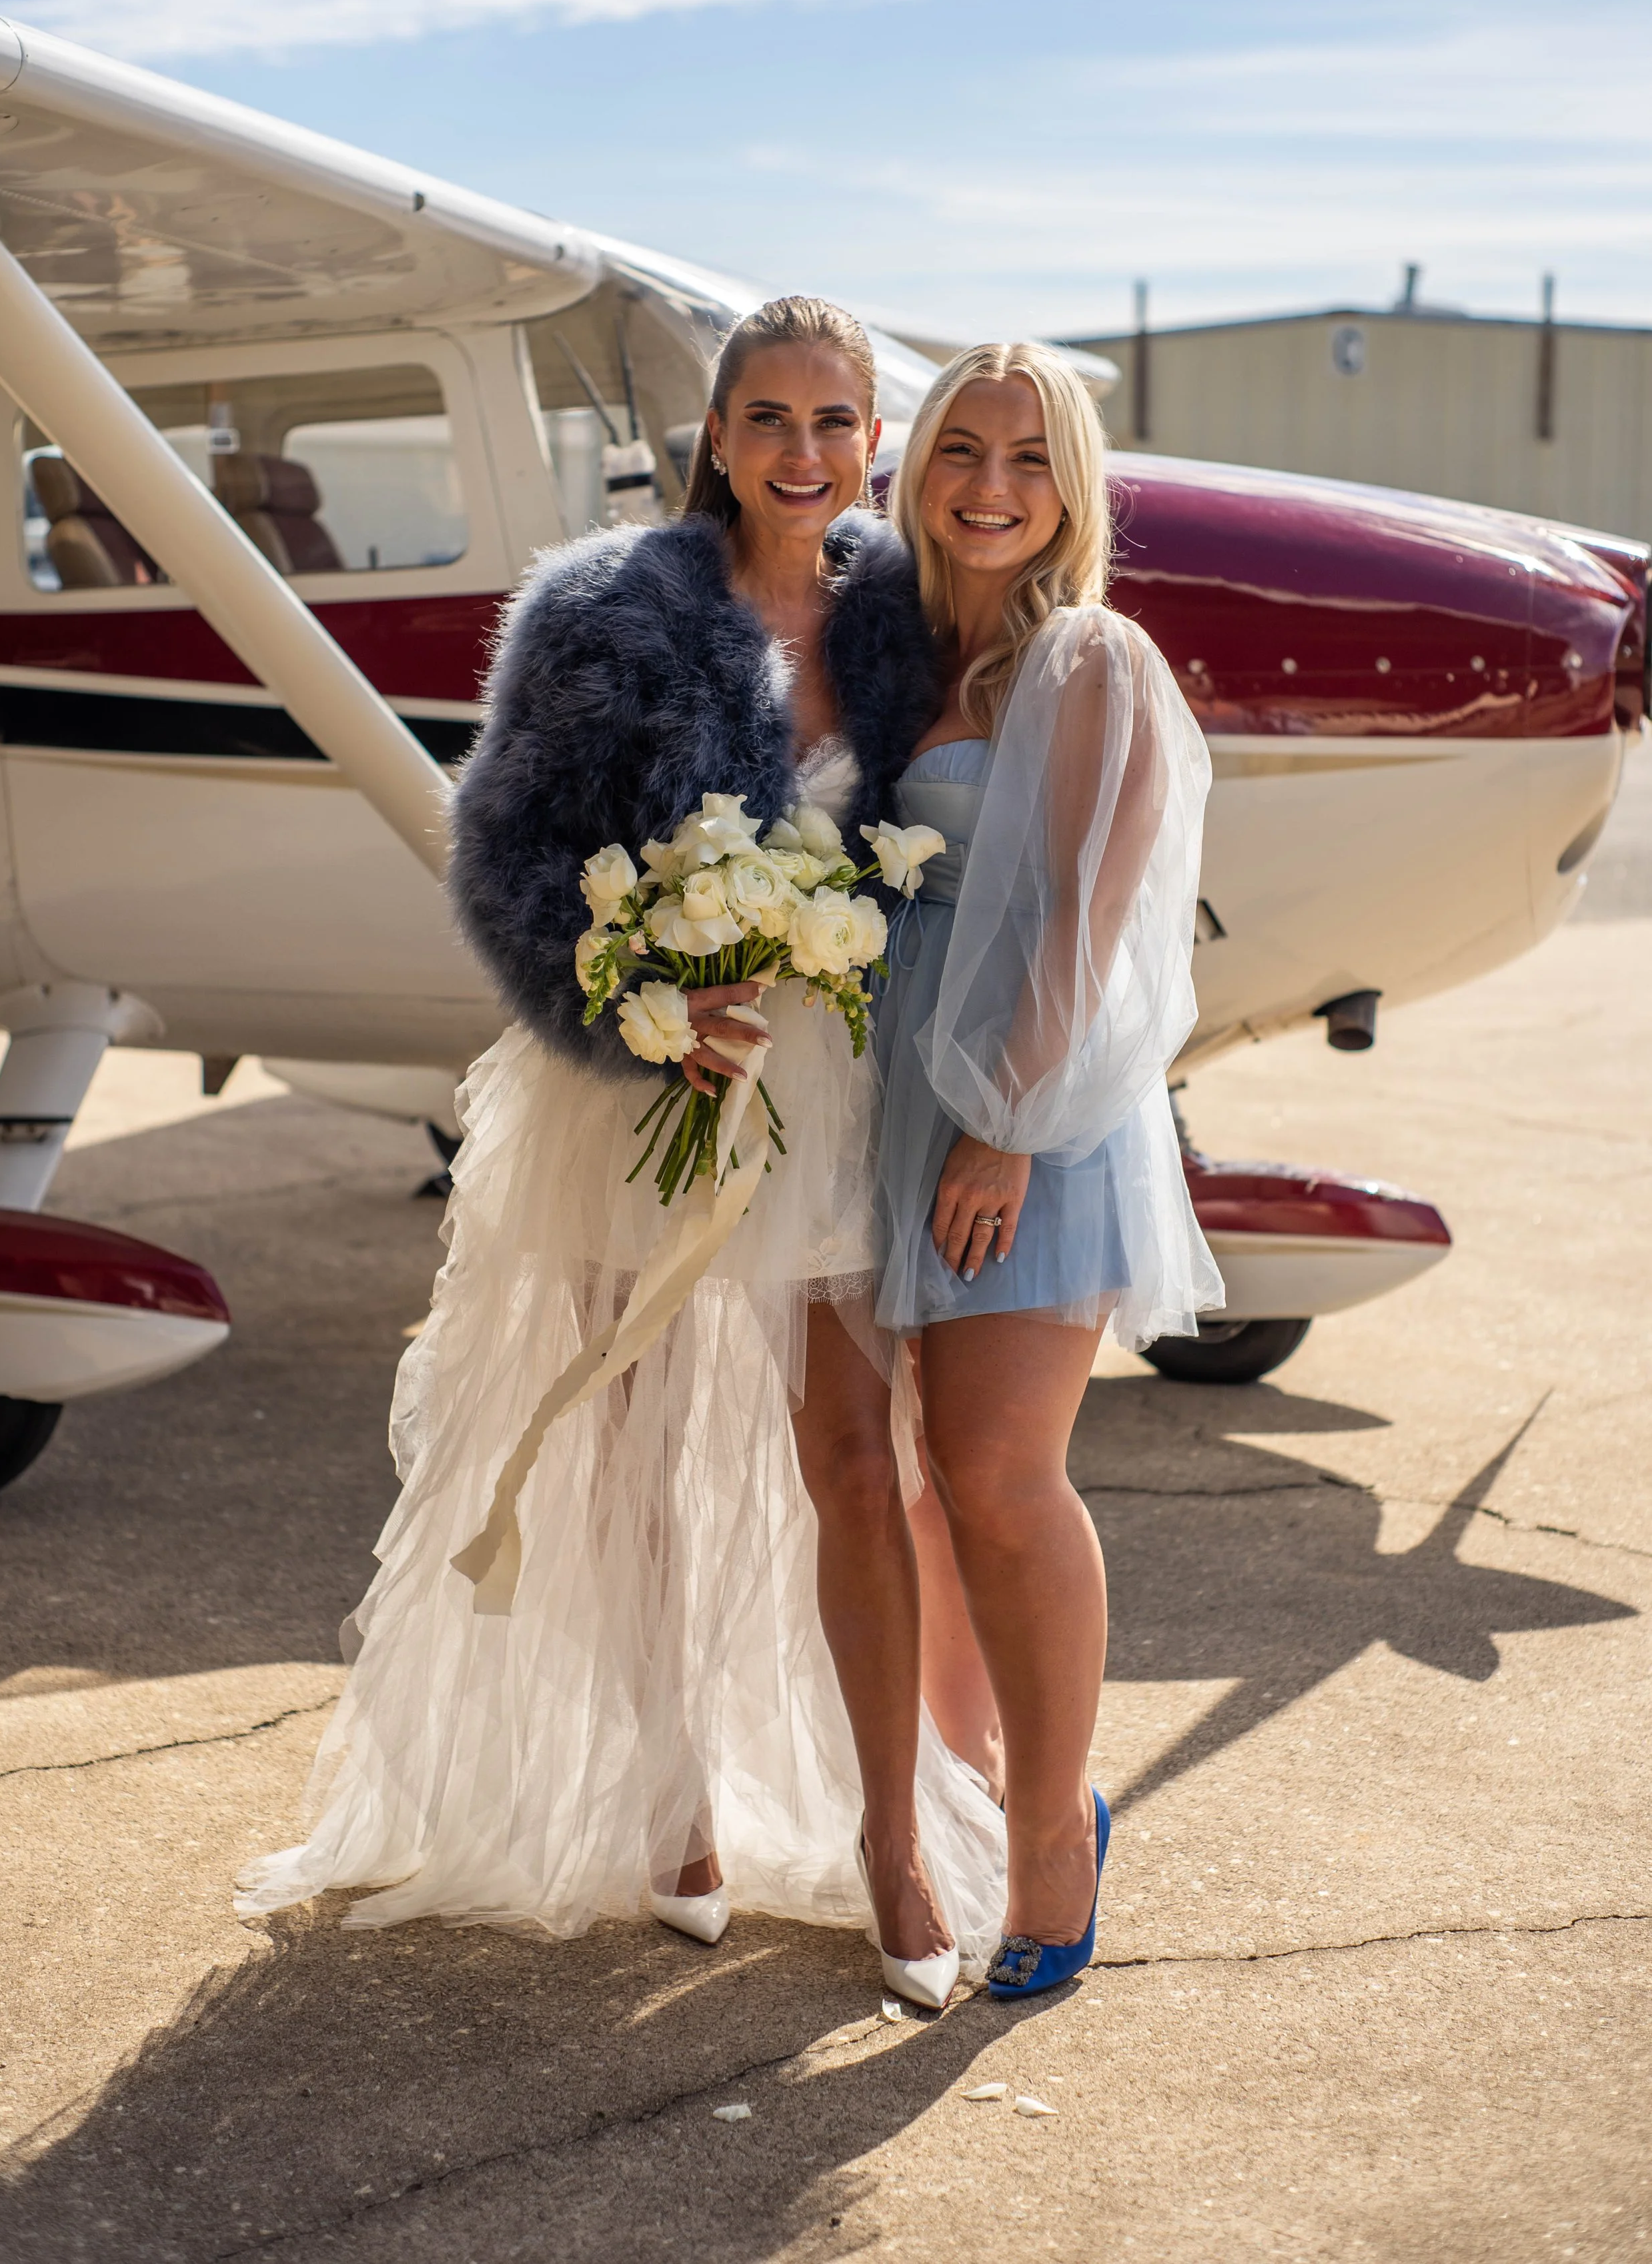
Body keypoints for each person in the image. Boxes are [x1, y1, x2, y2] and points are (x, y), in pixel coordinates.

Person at [237, 297, 1004, 2013]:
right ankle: (672, 1801)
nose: (804, 456)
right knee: (629, 1446)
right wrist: (640, 1003)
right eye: (770, 421)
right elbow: (504, 855)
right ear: (716, 439)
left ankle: (890, 1836)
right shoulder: (600, 612)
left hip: (836, 1087)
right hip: (639, 1076)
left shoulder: (912, 613)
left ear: (870, 439)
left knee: (853, 1455)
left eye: (835, 422)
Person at [872, 341, 1223, 1999]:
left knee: (1000, 1480)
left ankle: (1051, 1838)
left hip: (1025, 1112)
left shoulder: (1090, 658)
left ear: (1070, 487)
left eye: (1028, 456)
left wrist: (1002, 1119)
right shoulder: (890, 657)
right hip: (883, 1106)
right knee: (918, 1493)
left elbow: (1093, 920)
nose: (990, 483)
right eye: (960, 447)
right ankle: (957, 1808)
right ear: (918, 465)